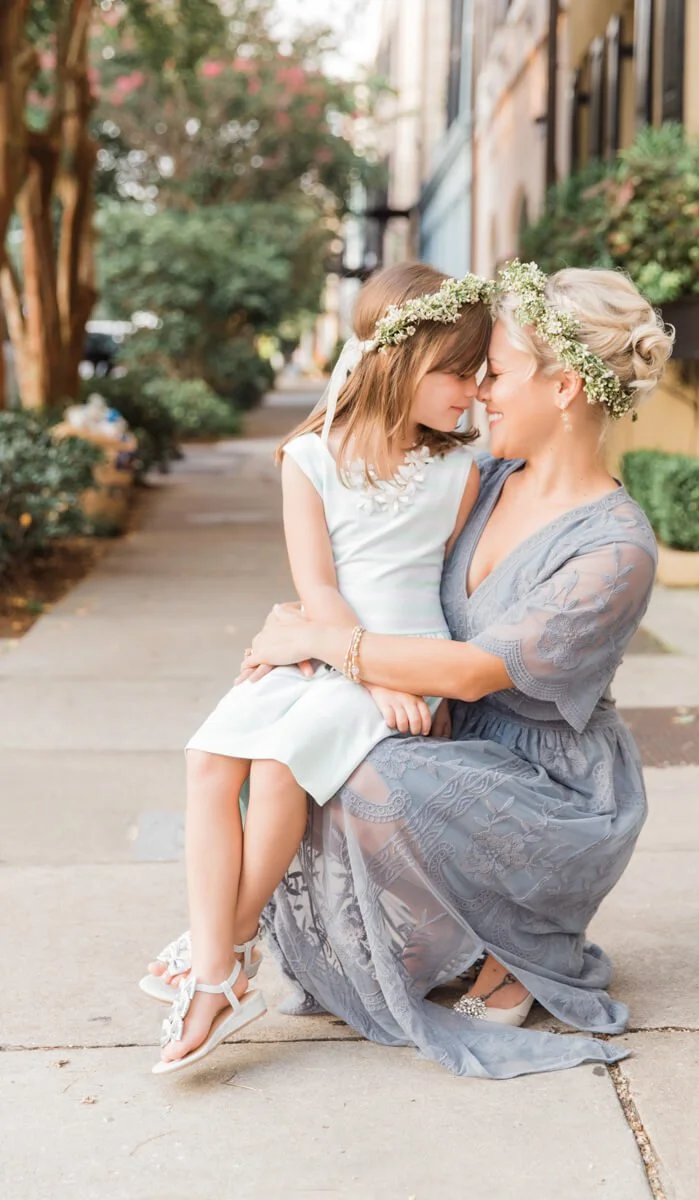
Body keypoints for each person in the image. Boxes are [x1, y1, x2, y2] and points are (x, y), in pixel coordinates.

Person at [228, 260, 674, 1078]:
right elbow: (376, 560)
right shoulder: (485, 477)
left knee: (366, 773)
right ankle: (450, 933)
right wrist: (309, 618)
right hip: (448, 733)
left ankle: (527, 933)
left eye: (494, 373)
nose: (478, 394)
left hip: (547, 784)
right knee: (291, 735)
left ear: (567, 386)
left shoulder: (614, 549)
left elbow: (472, 671)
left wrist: (327, 644)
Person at [146, 263, 496, 1074]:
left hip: (407, 659)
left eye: (480, 374)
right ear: (400, 360)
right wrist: (361, 671)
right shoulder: (308, 458)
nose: (473, 391)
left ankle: (215, 968)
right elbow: (318, 586)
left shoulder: (458, 472)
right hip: (336, 651)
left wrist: (401, 679)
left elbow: (440, 590)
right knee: (208, 758)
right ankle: (222, 959)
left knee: (277, 768)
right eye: (457, 370)